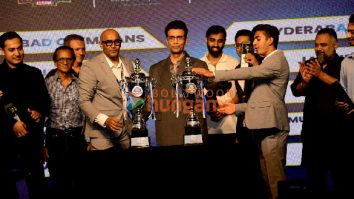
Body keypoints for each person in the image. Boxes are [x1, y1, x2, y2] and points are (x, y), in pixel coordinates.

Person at [193, 24, 290, 199]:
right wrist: (235, 108)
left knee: (275, 179)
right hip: (263, 127)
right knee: (267, 179)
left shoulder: (276, 59)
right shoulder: (267, 62)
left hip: (273, 127)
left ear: (271, 40)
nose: (254, 43)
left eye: (258, 39)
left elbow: (251, 73)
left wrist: (213, 75)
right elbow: (262, 102)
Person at [290, 28, 345, 197]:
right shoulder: (311, 64)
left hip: (338, 135)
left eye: (323, 45)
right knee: (315, 183)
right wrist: (305, 83)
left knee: (341, 181)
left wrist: (320, 75)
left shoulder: (345, 65)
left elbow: (346, 92)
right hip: (313, 134)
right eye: (316, 45)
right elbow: (296, 91)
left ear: (335, 45)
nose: (319, 48)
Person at [0, 31, 50, 199]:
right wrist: (12, 124)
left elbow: (45, 101)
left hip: (32, 142)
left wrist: (40, 111)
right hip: (6, 144)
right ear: (2, 51)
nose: (17, 53)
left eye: (20, 48)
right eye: (12, 49)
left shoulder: (34, 73)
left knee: (38, 188)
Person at [149, 20, 209, 146]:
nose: (175, 42)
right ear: (167, 40)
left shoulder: (199, 65)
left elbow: (208, 95)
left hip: (192, 127)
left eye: (179, 38)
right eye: (172, 38)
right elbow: (149, 100)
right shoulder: (155, 68)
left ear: (186, 40)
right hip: (166, 129)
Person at [44, 46, 86, 199]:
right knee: (59, 183)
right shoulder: (47, 83)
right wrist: (44, 144)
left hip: (77, 138)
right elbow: (42, 114)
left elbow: (86, 112)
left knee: (79, 182)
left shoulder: (81, 83)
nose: (65, 62)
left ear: (73, 61)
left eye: (69, 59)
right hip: (55, 139)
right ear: (55, 62)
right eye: (61, 59)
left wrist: (88, 139)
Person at [200, 25, 239, 145]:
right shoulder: (198, 64)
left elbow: (241, 93)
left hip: (232, 126)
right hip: (207, 128)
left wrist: (224, 110)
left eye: (220, 41)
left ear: (224, 42)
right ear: (206, 40)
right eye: (212, 40)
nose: (216, 44)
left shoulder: (234, 63)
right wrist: (209, 108)